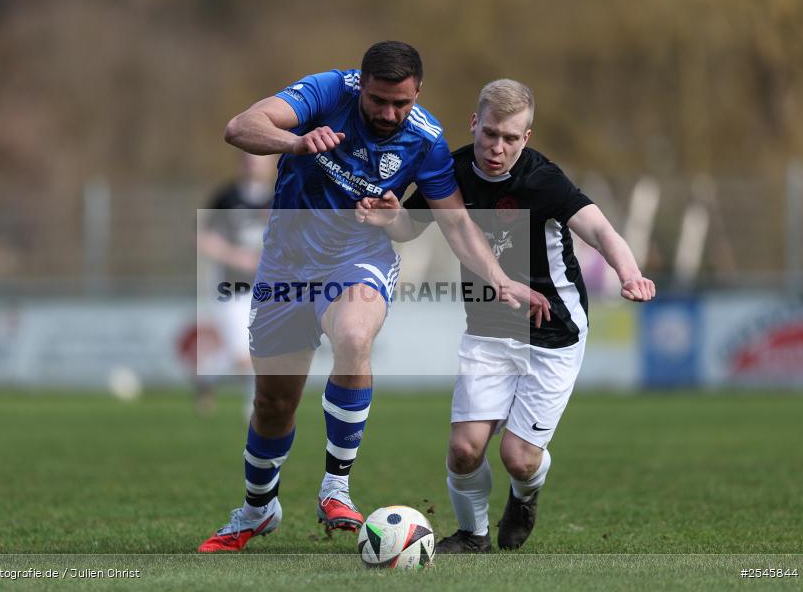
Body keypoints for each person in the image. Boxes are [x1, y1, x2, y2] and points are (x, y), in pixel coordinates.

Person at [198, 43, 550, 553]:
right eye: (379, 101)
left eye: (401, 104)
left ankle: (336, 487)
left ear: (418, 94)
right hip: (286, 261)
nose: (389, 114)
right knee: (274, 403)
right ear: (360, 85)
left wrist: (499, 276)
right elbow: (240, 127)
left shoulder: (425, 140)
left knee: (355, 333)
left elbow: (450, 222)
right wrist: (295, 143)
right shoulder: (325, 92)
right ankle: (258, 508)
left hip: (357, 256)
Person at [356, 79, 656, 552]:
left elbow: (599, 228)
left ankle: (525, 494)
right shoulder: (450, 171)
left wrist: (629, 272)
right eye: (490, 133)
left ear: (526, 138)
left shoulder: (544, 180)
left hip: (553, 332)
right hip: (489, 329)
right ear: (475, 123)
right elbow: (408, 228)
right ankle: (472, 536)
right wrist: (388, 216)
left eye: (511, 138)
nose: (497, 147)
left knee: (518, 457)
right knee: (463, 450)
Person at [194, 151, 276, 417]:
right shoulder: (226, 198)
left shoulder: (279, 198)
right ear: (241, 163)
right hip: (230, 288)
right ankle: (255, 410)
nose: (254, 163)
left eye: (261, 158)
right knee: (244, 355)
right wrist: (236, 257)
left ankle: (207, 373)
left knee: (256, 352)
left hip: (266, 288)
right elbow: (203, 239)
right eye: (249, 158)